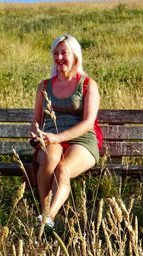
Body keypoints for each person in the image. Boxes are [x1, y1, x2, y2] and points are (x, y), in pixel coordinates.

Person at [30, 34, 102, 229]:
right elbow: (36, 120)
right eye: (56, 53)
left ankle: (47, 218)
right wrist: (37, 134)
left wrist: (58, 137)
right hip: (50, 138)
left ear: (75, 56)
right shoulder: (44, 86)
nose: (59, 58)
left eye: (64, 53)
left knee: (63, 169)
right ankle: (44, 211)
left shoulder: (88, 84)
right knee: (50, 158)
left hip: (82, 139)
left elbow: (88, 122)